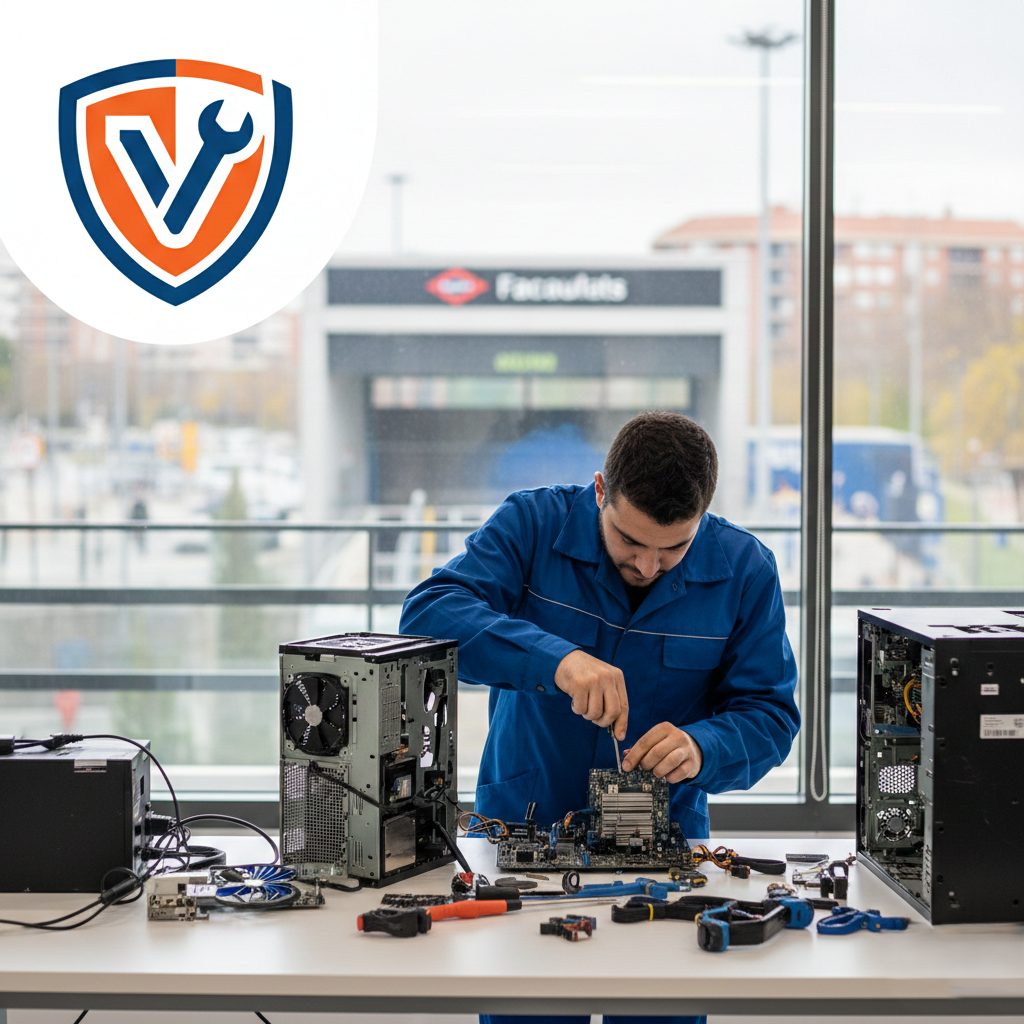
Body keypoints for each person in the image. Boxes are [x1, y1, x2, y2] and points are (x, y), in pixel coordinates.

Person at [400, 411, 799, 1024]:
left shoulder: (745, 570)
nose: (647, 566)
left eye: (674, 549)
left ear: (704, 518)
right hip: (519, 839)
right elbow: (428, 615)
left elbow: (770, 713)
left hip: (661, 857)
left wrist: (703, 747)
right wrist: (554, 659)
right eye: (630, 542)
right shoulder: (532, 524)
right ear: (598, 491)